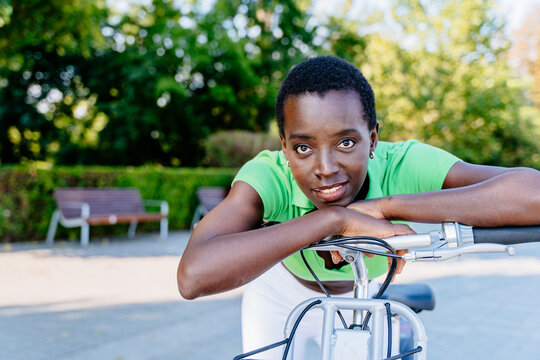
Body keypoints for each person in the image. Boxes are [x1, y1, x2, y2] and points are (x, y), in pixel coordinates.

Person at [177, 56, 540, 359]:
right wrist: (334, 219)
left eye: (346, 142)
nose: (325, 168)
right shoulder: (269, 175)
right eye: (303, 148)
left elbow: (533, 193)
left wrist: (385, 207)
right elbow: (192, 278)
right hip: (279, 292)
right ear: (285, 148)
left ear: (373, 139)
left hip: (366, 292)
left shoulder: (403, 164)